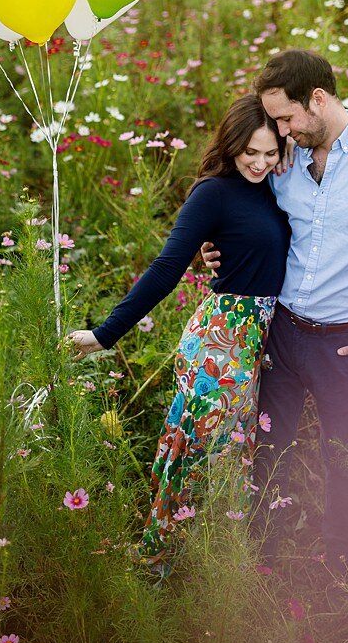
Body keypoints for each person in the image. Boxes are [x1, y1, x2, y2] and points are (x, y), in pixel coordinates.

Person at [202, 48, 348, 577]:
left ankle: (343, 567)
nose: (280, 130)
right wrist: (215, 248)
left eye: (285, 117)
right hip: (280, 330)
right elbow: (255, 219)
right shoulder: (287, 161)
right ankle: (263, 562)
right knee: (266, 450)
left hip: (344, 343)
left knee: (343, 456)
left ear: (318, 100)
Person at [66, 94, 289, 573]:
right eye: (251, 151)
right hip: (219, 342)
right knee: (195, 452)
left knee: (233, 455)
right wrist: (106, 335)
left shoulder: (279, 188)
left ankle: (217, 564)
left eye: (271, 153)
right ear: (231, 145)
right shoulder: (213, 192)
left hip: (257, 342)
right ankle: (157, 561)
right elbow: (167, 266)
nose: (260, 162)